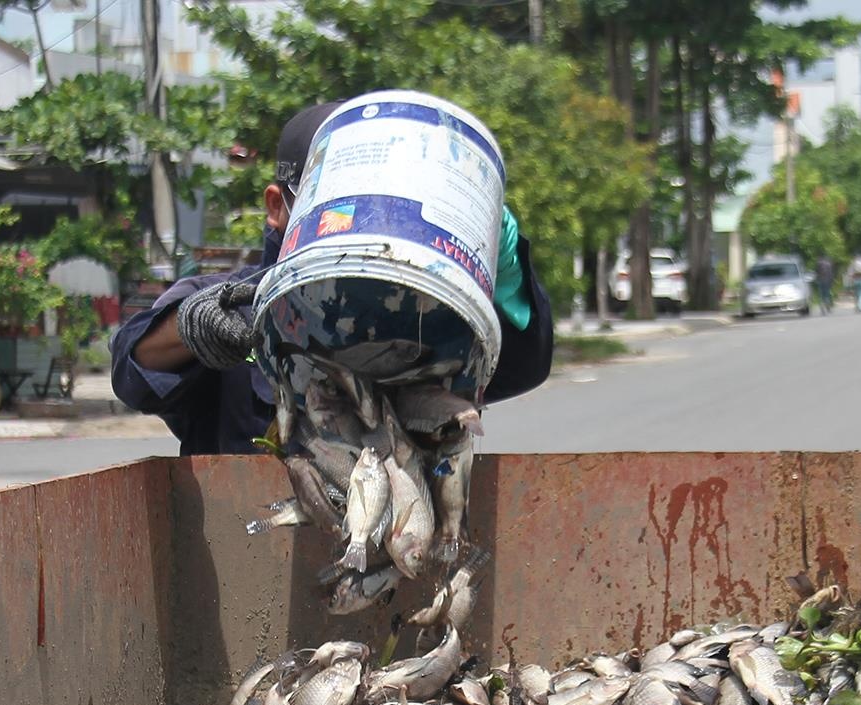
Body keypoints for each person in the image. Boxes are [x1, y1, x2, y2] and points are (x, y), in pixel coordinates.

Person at [112, 100, 554, 456]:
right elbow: (133, 371)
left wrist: (507, 274)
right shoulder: (224, 300)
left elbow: (518, 368)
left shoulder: (420, 306)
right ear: (277, 205)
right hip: (248, 551)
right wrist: (191, 328)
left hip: (397, 545)